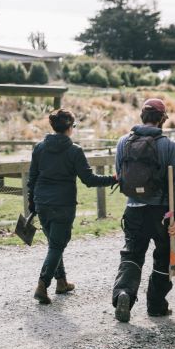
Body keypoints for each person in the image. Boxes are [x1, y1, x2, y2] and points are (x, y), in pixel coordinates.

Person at [27, 108, 117, 305]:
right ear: (69, 128)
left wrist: (32, 204)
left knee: (54, 245)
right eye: (73, 126)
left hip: (42, 202)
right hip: (63, 204)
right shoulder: (74, 151)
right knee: (57, 245)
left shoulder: (39, 148)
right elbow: (89, 179)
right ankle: (42, 285)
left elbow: (32, 178)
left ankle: (62, 282)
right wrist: (113, 178)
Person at [111, 98, 175, 323]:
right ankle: (156, 306)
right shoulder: (169, 146)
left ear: (142, 117)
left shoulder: (123, 142)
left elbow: (120, 175)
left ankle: (124, 294)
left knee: (132, 254)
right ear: (162, 120)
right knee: (164, 256)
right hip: (162, 212)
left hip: (133, 210)